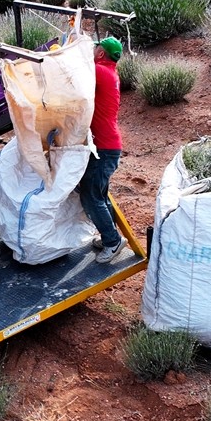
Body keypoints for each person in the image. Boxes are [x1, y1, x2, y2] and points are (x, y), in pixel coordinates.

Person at [79, 36, 126, 264]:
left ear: (100, 53)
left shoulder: (98, 71)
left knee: (90, 195)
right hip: (108, 145)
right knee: (99, 194)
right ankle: (111, 236)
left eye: (95, 47)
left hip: (104, 147)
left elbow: (74, 71)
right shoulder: (109, 72)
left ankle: (112, 241)